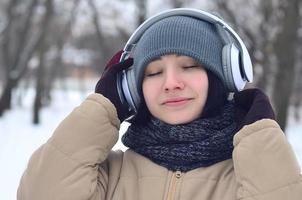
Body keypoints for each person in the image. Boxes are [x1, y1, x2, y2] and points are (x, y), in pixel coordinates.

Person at [17, 8, 302, 200]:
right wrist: (103, 108)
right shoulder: (109, 176)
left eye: (189, 66)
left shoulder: (248, 178)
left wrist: (260, 135)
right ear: (132, 88)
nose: (170, 83)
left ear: (223, 77)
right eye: (153, 73)